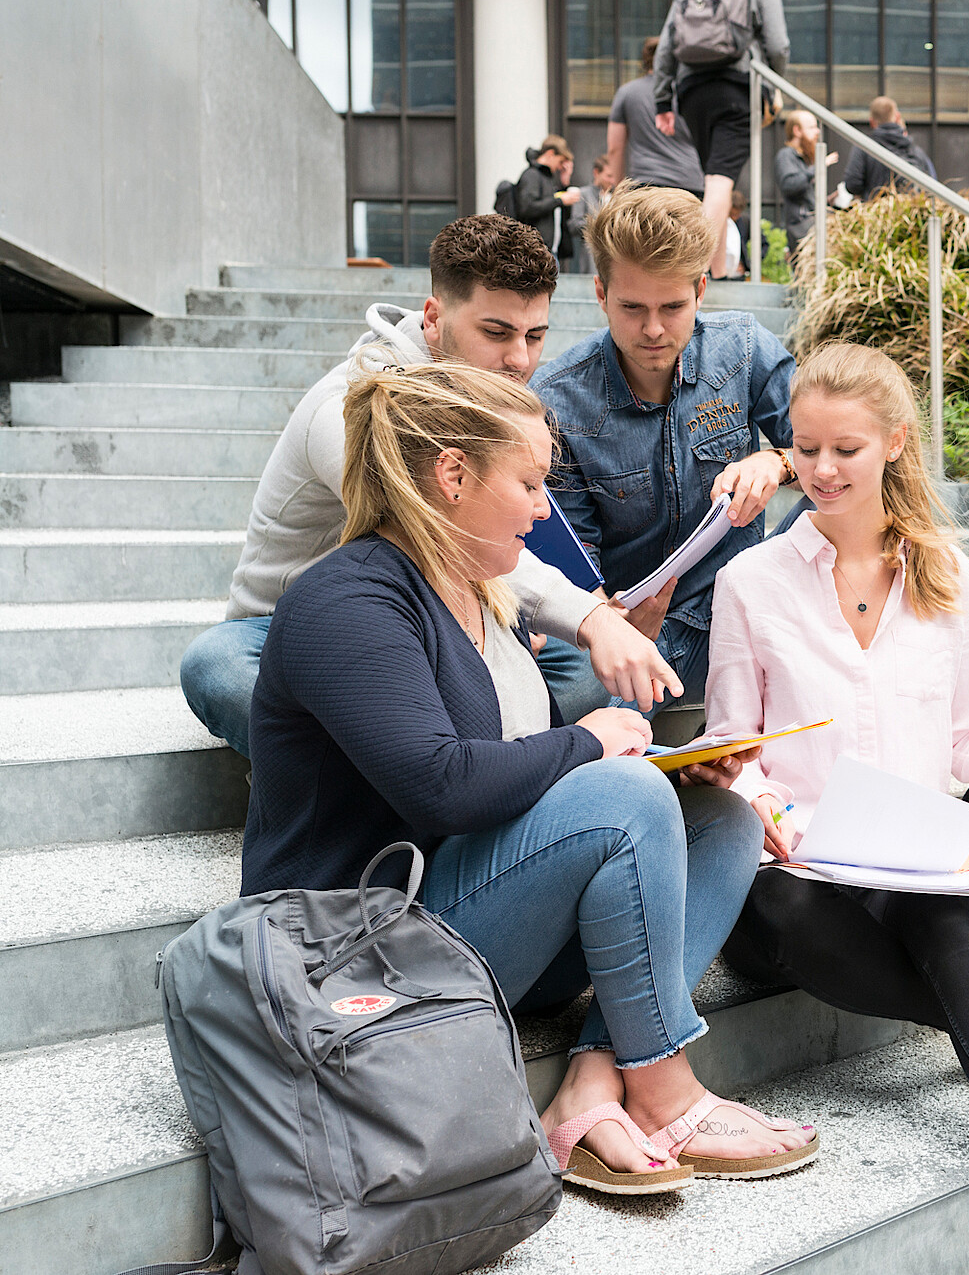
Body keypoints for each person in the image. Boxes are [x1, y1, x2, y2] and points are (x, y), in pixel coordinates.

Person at [241, 359, 817, 1195]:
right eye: (531, 483)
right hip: (362, 959)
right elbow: (442, 785)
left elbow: (511, 777)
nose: (546, 508)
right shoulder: (346, 600)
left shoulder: (474, 587)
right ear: (451, 476)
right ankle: (665, 1089)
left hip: (465, 920)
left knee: (721, 821)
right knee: (620, 791)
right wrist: (590, 744)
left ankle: (593, 1079)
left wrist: (672, 770)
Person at [709, 343, 969, 1275]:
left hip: (905, 860)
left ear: (896, 444)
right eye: (804, 449)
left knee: (951, 927)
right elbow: (729, 751)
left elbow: (964, 741)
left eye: (845, 451)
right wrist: (765, 803)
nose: (819, 472)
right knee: (830, 919)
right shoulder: (752, 582)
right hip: (790, 880)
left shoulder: (942, 573)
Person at [180, 216, 676, 758]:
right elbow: (440, 536)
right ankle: (408, 776)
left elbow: (490, 554)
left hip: (451, 616)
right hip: (302, 633)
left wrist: (552, 617)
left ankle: (480, 761)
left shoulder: (495, 398)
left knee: (592, 667)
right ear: (435, 318)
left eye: (535, 336)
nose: (520, 360)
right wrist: (589, 618)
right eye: (496, 332)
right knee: (216, 666)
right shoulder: (352, 407)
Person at [535, 185, 795, 715]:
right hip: (633, 627)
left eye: (673, 307)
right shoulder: (557, 401)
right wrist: (609, 622)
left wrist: (779, 459)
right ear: (601, 293)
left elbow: (833, 446)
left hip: (743, 607)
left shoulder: (742, 348)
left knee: (851, 486)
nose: (653, 329)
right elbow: (575, 572)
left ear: (701, 290)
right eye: (632, 307)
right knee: (578, 705)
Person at [654, 0, 790, 279]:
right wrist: (774, 83)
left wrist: (662, 101)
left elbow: (666, 45)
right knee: (720, 180)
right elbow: (778, 44)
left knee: (715, 181)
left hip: (692, 91)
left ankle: (717, 272)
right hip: (738, 87)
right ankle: (695, 269)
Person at [607, 36, 705, 198]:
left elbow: (614, 148)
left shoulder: (626, 93)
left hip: (645, 186)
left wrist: (618, 191)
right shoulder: (689, 93)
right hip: (690, 185)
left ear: (645, 61)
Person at [841, 96, 937, 200]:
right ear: (897, 117)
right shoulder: (915, 151)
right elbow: (932, 183)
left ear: (872, 122)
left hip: (874, 212)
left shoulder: (864, 147)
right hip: (910, 212)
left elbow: (852, 184)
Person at [511, 135, 581, 258]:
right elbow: (527, 207)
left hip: (549, 250)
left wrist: (564, 183)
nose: (560, 167)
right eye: (560, 161)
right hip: (535, 250)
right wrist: (559, 200)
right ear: (550, 154)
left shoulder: (548, 178)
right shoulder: (532, 175)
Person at [776, 109, 833, 261]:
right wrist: (817, 168)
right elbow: (789, 185)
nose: (817, 132)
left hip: (810, 227)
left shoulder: (803, 159)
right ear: (797, 130)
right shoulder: (787, 155)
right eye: (812, 127)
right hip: (802, 230)